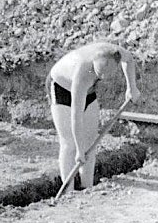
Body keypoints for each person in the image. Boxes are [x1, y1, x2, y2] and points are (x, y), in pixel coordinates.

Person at [47, 42, 140, 189]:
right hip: (62, 88)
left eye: (106, 75)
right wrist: (79, 150)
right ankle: (68, 192)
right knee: (69, 143)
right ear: (94, 64)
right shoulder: (82, 71)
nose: (102, 78)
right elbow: (76, 116)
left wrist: (131, 87)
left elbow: (129, 61)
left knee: (90, 142)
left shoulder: (117, 52)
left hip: (88, 90)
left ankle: (87, 189)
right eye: (99, 73)